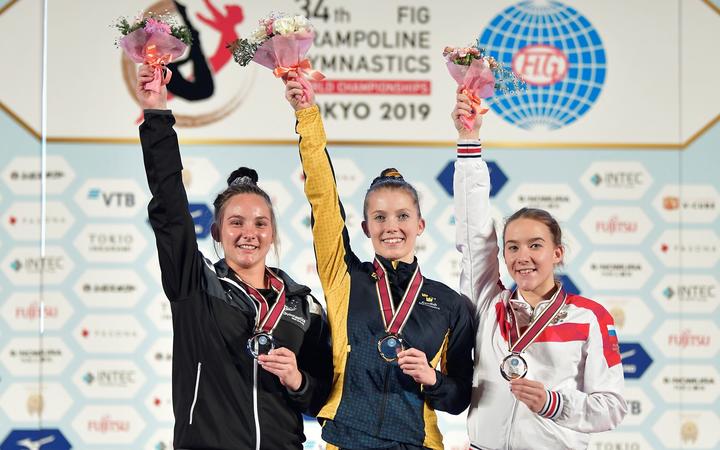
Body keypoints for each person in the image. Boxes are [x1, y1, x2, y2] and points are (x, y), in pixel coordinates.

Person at [136, 64, 332, 450]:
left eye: (260, 223)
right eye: (236, 222)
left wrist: (298, 380)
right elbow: (170, 206)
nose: (249, 233)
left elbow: (322, 397)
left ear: (272, 233)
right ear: (217, 232)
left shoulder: (304, 305)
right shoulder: (194, 284)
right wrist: (157, 114)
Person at [285, 74, 475, 450]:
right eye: (381, 217)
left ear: (420, 224)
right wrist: (307, 114)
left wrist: (433, 380)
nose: (392, 226)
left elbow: (459, 398)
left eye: (403, 216)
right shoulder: (344, 278)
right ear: (365, 226)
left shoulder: (450, 304)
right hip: (346, 439)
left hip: (417, 443)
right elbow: (323, 199)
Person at [451, 90, 627, 449]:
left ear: (557, 252)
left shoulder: (589, 317)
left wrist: (554, 403)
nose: (522, 257)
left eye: (535, 246)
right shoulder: (489, 304)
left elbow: (611, 406)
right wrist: (468, 140)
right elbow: (473, 235)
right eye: (512, 247)